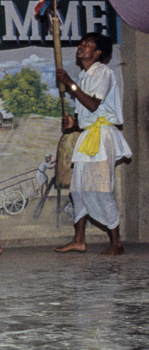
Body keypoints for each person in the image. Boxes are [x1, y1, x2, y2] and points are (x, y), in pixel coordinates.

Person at [54, 33, 131, 256]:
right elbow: (87, 115)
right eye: (81, 43)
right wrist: (73, 124)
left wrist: (70, 84)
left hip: (102, 137)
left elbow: (94, 105)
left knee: (100, 189)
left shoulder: (103, 72)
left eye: (87, 44)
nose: (81, 46)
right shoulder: (84, 76)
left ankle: (116, 242)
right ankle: (79, 240)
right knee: (78, 190)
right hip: (88, 136)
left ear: (98, 53)